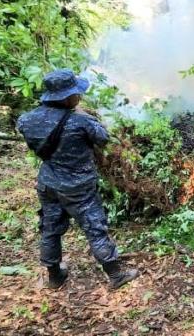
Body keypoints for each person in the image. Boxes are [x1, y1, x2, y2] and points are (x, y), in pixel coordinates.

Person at [16, 69, 139, 290]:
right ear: (65, 97)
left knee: (50, 227)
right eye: (76, 93)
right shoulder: (81, 121)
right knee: (94, 227)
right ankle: (115, 274)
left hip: (48, 184)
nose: (79, 97)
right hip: (79, 187)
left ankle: (54, 277)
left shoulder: (26, 120)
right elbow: (103, 139)